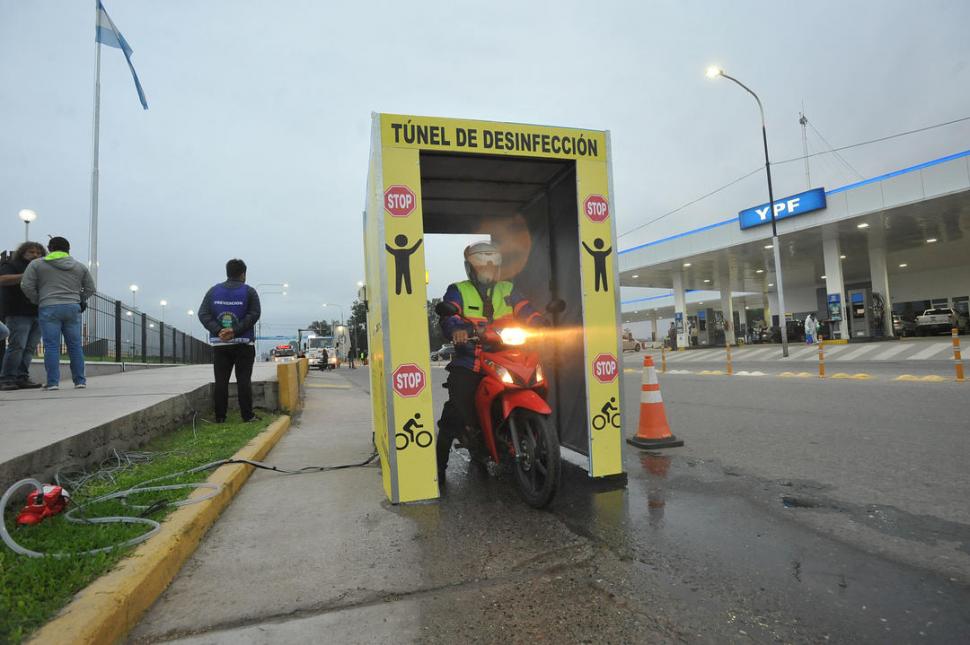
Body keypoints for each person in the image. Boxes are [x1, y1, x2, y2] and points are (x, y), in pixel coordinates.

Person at [435, 241, 546, 482]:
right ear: (471, 268)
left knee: (538, 384)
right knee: (456, 409)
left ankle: (532, 441)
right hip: (471, 360)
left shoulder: (508, 289)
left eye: (492, 266)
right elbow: (450, 313)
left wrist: (539, 322)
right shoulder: (458, 289)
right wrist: (457, 328)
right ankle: (439, 469)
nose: (488, 270)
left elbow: (526, 309)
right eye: (482, 266)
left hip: (507, 356)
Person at [20, 237, 95, 390]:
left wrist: (38, 299)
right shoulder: (79, 267)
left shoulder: (37, 264)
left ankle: (53, 382)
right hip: (72, 307)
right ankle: (80, 381)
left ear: (50, 248)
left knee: (51, 346)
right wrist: (78, 299)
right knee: (75, 346)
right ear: (68, 249)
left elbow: (26, 285)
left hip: (48, 307)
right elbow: (90, 288)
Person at [198, 258, 261, 423]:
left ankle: (220, 417)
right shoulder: (250, 292)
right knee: (243, 382)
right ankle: (247, 416)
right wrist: (235, 330)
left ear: (227, 272)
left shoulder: (213, 291)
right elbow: (254, 314)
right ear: (243, 274)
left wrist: (219, 331)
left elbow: (203, 314)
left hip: (221, 345)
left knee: (221, 382)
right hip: (244, 344)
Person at [0, 241, 46, 390]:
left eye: (39, 253)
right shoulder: (11, 264)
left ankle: (22, 377)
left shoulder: (41, 268)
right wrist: (26, 275)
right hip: (17, 312)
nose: (35, 255)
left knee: (30, 348)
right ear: (23, 252)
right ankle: (7, 378)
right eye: (32, 252)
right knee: (17, 346)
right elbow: (3, 279)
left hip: (38, 312)